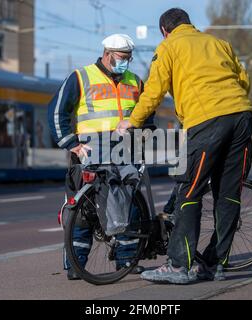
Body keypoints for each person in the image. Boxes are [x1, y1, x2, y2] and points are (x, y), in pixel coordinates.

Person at [117, 8, 252, 284]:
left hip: (206, 121)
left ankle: (180, 265)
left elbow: (154, 91)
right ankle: (216, 264)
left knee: (188, 190)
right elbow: (243, 80)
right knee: (228, 195)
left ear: (164, 31)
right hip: (242, 117)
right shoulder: (219, 43)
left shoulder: (169, 46)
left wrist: (131, 122)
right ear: (190, 25)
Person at [48, 34, 147, 280]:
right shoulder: (80, 77)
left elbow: (147, 113)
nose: (126, 63)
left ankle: (126, 261)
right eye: (122, 58)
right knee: (82, 213)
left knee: (128, 208)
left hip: (124, 154)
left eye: (129, 58)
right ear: (107, 53)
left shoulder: (135, 81)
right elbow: (57, 111)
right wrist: (71, 144)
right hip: (89, 154)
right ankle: (75, 265)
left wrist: (145, 134)